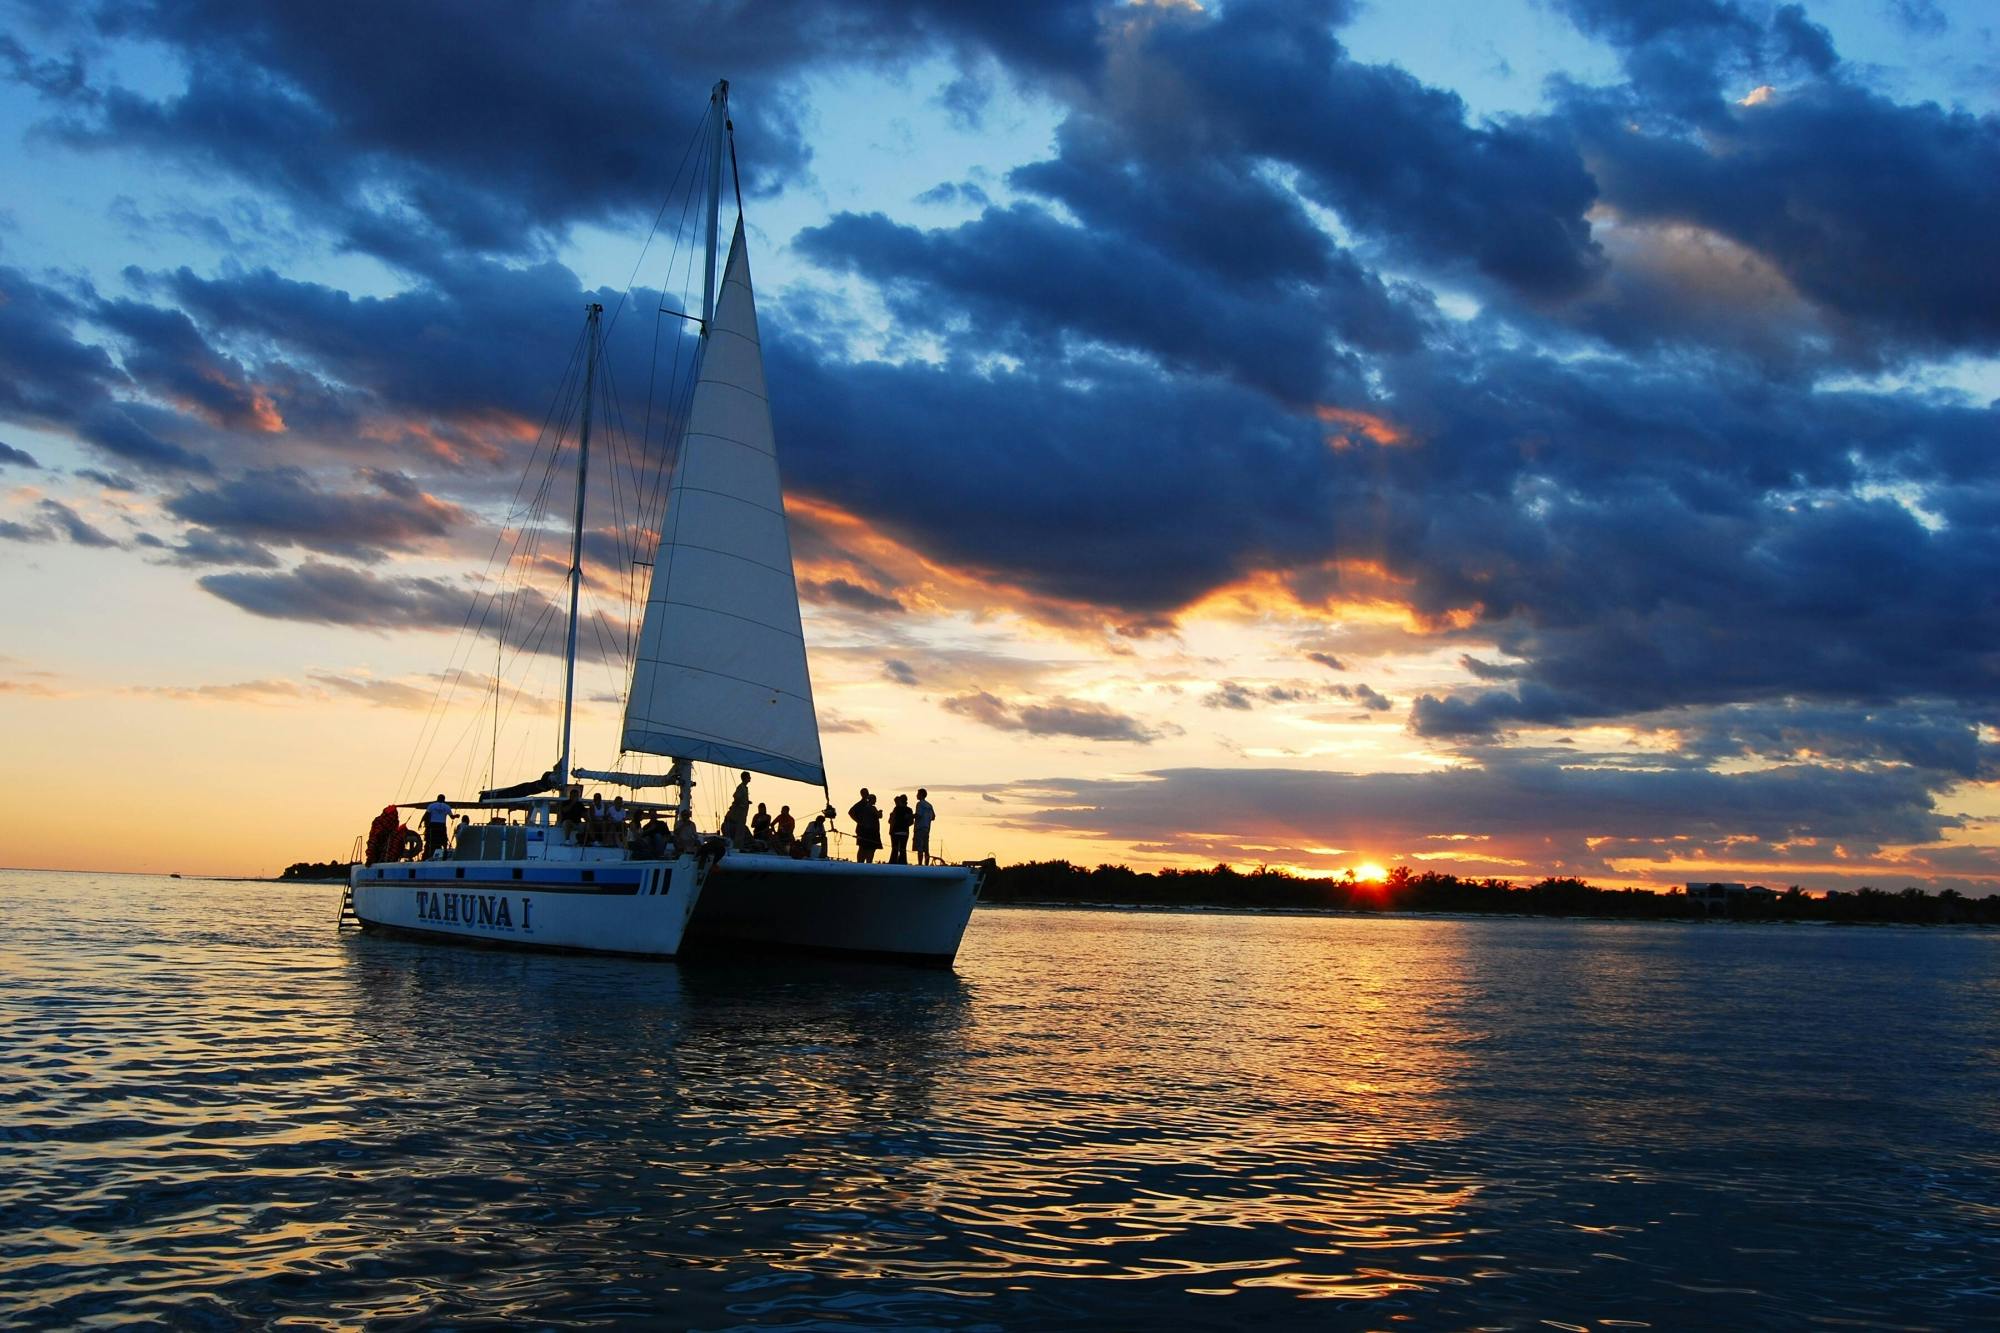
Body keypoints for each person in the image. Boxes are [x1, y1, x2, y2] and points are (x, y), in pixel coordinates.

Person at [849, 788, 882, 863]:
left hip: (868, 830)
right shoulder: (862, 805)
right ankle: (864, 863)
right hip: (867, 830)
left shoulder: (865, 805)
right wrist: (859, 821)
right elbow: (851, 812)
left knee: (866, 847)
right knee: (866, 848)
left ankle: (864, 863)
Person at [721, 770, 752, 845]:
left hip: (741, 817)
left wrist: (746, 802)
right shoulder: (741, 787)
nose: (750, 778)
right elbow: (736, 796)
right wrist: (742, 804)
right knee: (738, 834)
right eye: (749, 777)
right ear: (745, 778)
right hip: (737, 816)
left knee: (740, 833)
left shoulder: (744, 787)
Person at [887, 793, 914, 865]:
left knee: (894, 849)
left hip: (895, 831)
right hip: (905, 832)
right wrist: (905, 825)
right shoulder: (909, 810)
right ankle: (903, 863)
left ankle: (893, 863)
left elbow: (892, 820)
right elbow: (911, 822)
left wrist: (891, 830)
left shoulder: (896, 809)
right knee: (903, 849)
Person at [424, 793, 451, 858]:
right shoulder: (447, 806)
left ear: (437, 799)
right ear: (444, 799)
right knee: (444, 839)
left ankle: (430, 854)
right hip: (442, 825)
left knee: (432, 840)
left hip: (433, 825)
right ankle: (445, 852)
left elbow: (426, 815)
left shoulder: (431, 806)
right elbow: (452, 816)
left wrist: (425, 824)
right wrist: (456, 816)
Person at [914, 788, 936, 865]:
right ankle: (926, 865)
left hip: (920, 827)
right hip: (927, 828)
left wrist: (910, 816)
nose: (916, 795)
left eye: (918, 794)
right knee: (926, 848)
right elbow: (933, 817)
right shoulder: (929, 805)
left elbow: (918, 815)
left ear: (921, 795)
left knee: (920, 848)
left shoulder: (919, 804)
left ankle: (920, 864)